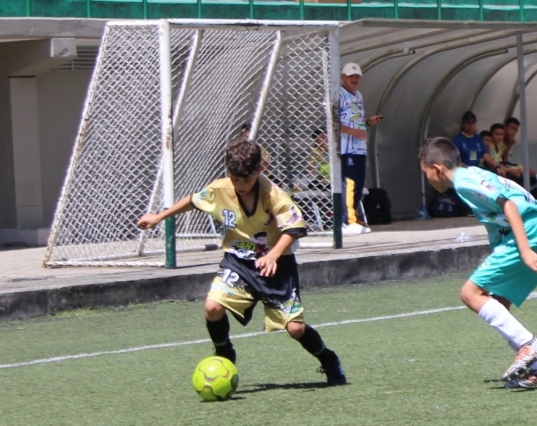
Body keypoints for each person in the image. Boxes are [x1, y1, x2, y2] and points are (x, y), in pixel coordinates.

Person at [136, 138, 347, 386]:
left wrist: (273, 254)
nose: (241, 185)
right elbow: (192, 200)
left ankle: (328, 358)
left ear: (260, 169)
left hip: (276, 268)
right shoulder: (219, 189)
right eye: (236, 180)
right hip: (238, 262)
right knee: (212, 307)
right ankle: (224, 351)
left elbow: (295, 228)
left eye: (247, 180)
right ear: (229, 173)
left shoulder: (273, 194)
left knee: (295, 330)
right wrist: (158, 217)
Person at [418, 137, 537, 388]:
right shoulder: (472, 173)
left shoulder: (464, 182)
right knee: (497, 305)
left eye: (426, 173)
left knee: (470, 294)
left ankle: (529, 344)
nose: (427, 179)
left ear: (437, 168)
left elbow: (509, 206)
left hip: (528, 234)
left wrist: (524, 249)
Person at [340, 62, 382, 235]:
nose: (355, 79)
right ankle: (346, 221)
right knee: (349, 183)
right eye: (351, 76)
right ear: (343, 77)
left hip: (360, 148)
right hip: (347, 148)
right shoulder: (339, 95)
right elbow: (333, 122)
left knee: (358, 184)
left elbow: (355, 118)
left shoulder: (358, 95)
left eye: (357, 76)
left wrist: (367, 122)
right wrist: (352, 132)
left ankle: (354, 217)